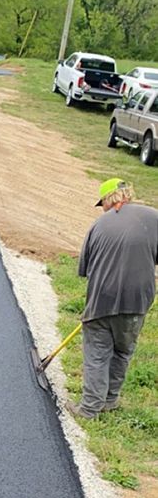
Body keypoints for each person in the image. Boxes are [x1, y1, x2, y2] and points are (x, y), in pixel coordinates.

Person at [68, 177, 158, 419]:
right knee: (122, 350)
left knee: (97, 352)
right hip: (137, 301)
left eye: (103, 204)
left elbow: (84, 269)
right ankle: (110, 399)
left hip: (102, 300)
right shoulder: (153, 218)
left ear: (108, 200)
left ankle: (89, 409)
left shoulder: (98, 226)